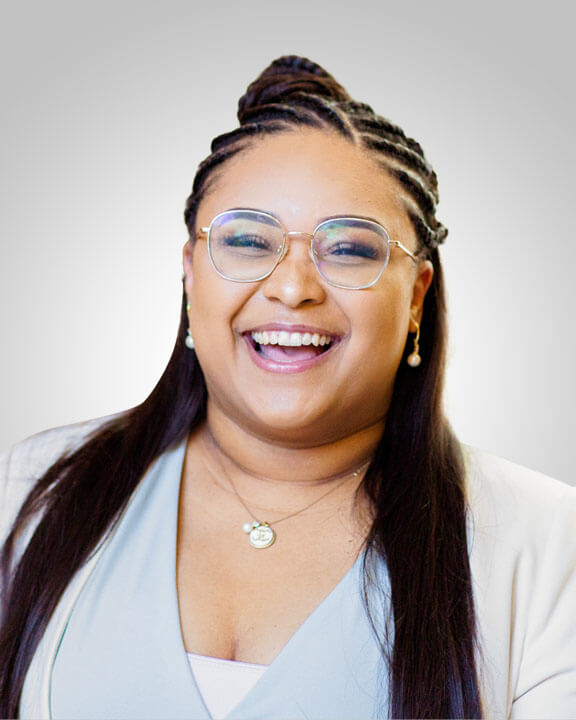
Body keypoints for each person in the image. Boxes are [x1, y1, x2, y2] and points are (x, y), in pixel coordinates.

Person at [0, 55, 575, 720]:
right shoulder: (34, 489)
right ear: (191, 275)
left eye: (351, 249)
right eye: (248, 240)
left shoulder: (549, 546)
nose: (294, 286)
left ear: (417, 298)